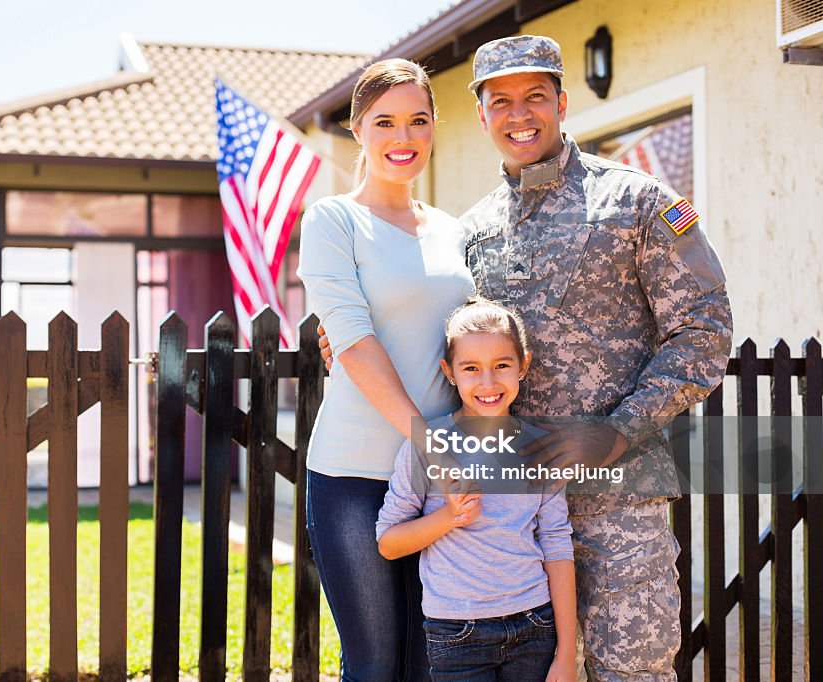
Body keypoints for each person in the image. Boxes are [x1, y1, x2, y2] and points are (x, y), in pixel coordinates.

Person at [319, 36, 733, 681]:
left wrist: (616, 433)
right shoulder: (471, 230)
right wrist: (339, 338)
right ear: (481, 117)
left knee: (636, 670)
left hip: (617, 496)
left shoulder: (638, 201)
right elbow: (441, 331)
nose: (520, 115)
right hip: (506, 515)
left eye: (535, 97)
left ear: (563, 102)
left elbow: (704, 331)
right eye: (501, 101)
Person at [297, 58, 475, 680]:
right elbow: (352, 341)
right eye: (386, 123)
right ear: (357, 130)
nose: (404, 138)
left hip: (440, 480)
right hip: (354, 474)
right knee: (374, 663)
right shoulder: (332, 221)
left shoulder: (455, 232)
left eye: (418, 121)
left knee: (434, 661)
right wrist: (429, 443)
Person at [376, 297, 577, 681]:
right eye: (471, 368)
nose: (488, 382)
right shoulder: (426, 446)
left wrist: (566, 653)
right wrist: (448, 518)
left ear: (524, 365)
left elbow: (556, 542)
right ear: (448, 372)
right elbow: (388, 542)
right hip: (456, 632)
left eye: (502, 365)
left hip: (535, 625)